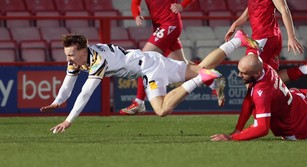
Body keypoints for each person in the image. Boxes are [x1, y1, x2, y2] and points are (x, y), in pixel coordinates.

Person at [39, 30, 260, 133]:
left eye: (70, 54)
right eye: (67, 54)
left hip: (149, 68)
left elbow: (85, 92)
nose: (67, 58)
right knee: (201, 68)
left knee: (161, 109)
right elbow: (69, 83)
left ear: (82, 50)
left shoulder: (97, 60)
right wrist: (58, 101)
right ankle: (237, 40)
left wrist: (69, 120)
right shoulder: (77, 60)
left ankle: (202, 79)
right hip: (151, 60)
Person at [210, 54, 307, 141]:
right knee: (300, 92)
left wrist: (233, 137)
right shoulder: (265, 67)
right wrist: (238, 128)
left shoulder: (261, 92)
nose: (239, 75)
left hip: (292, 126)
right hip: (300, 103)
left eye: (243, 73)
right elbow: (248, 100)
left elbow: (262, 129)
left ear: (256, 74)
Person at [224, 0, 307, 82]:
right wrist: (234, 24)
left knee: (249, 74)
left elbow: (285, 10)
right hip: (268, 38)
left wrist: (291, 36)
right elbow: (248, 13)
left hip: (264, 39)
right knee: (272, 79)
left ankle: (256, 111)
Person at [120, 0, 195, 115]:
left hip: (169, 24)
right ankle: (212, 78)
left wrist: (182, 5)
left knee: (143, 59)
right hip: (161, 26)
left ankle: (139, 102)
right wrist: (136, 15)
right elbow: (135, 3)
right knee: (184, 67)